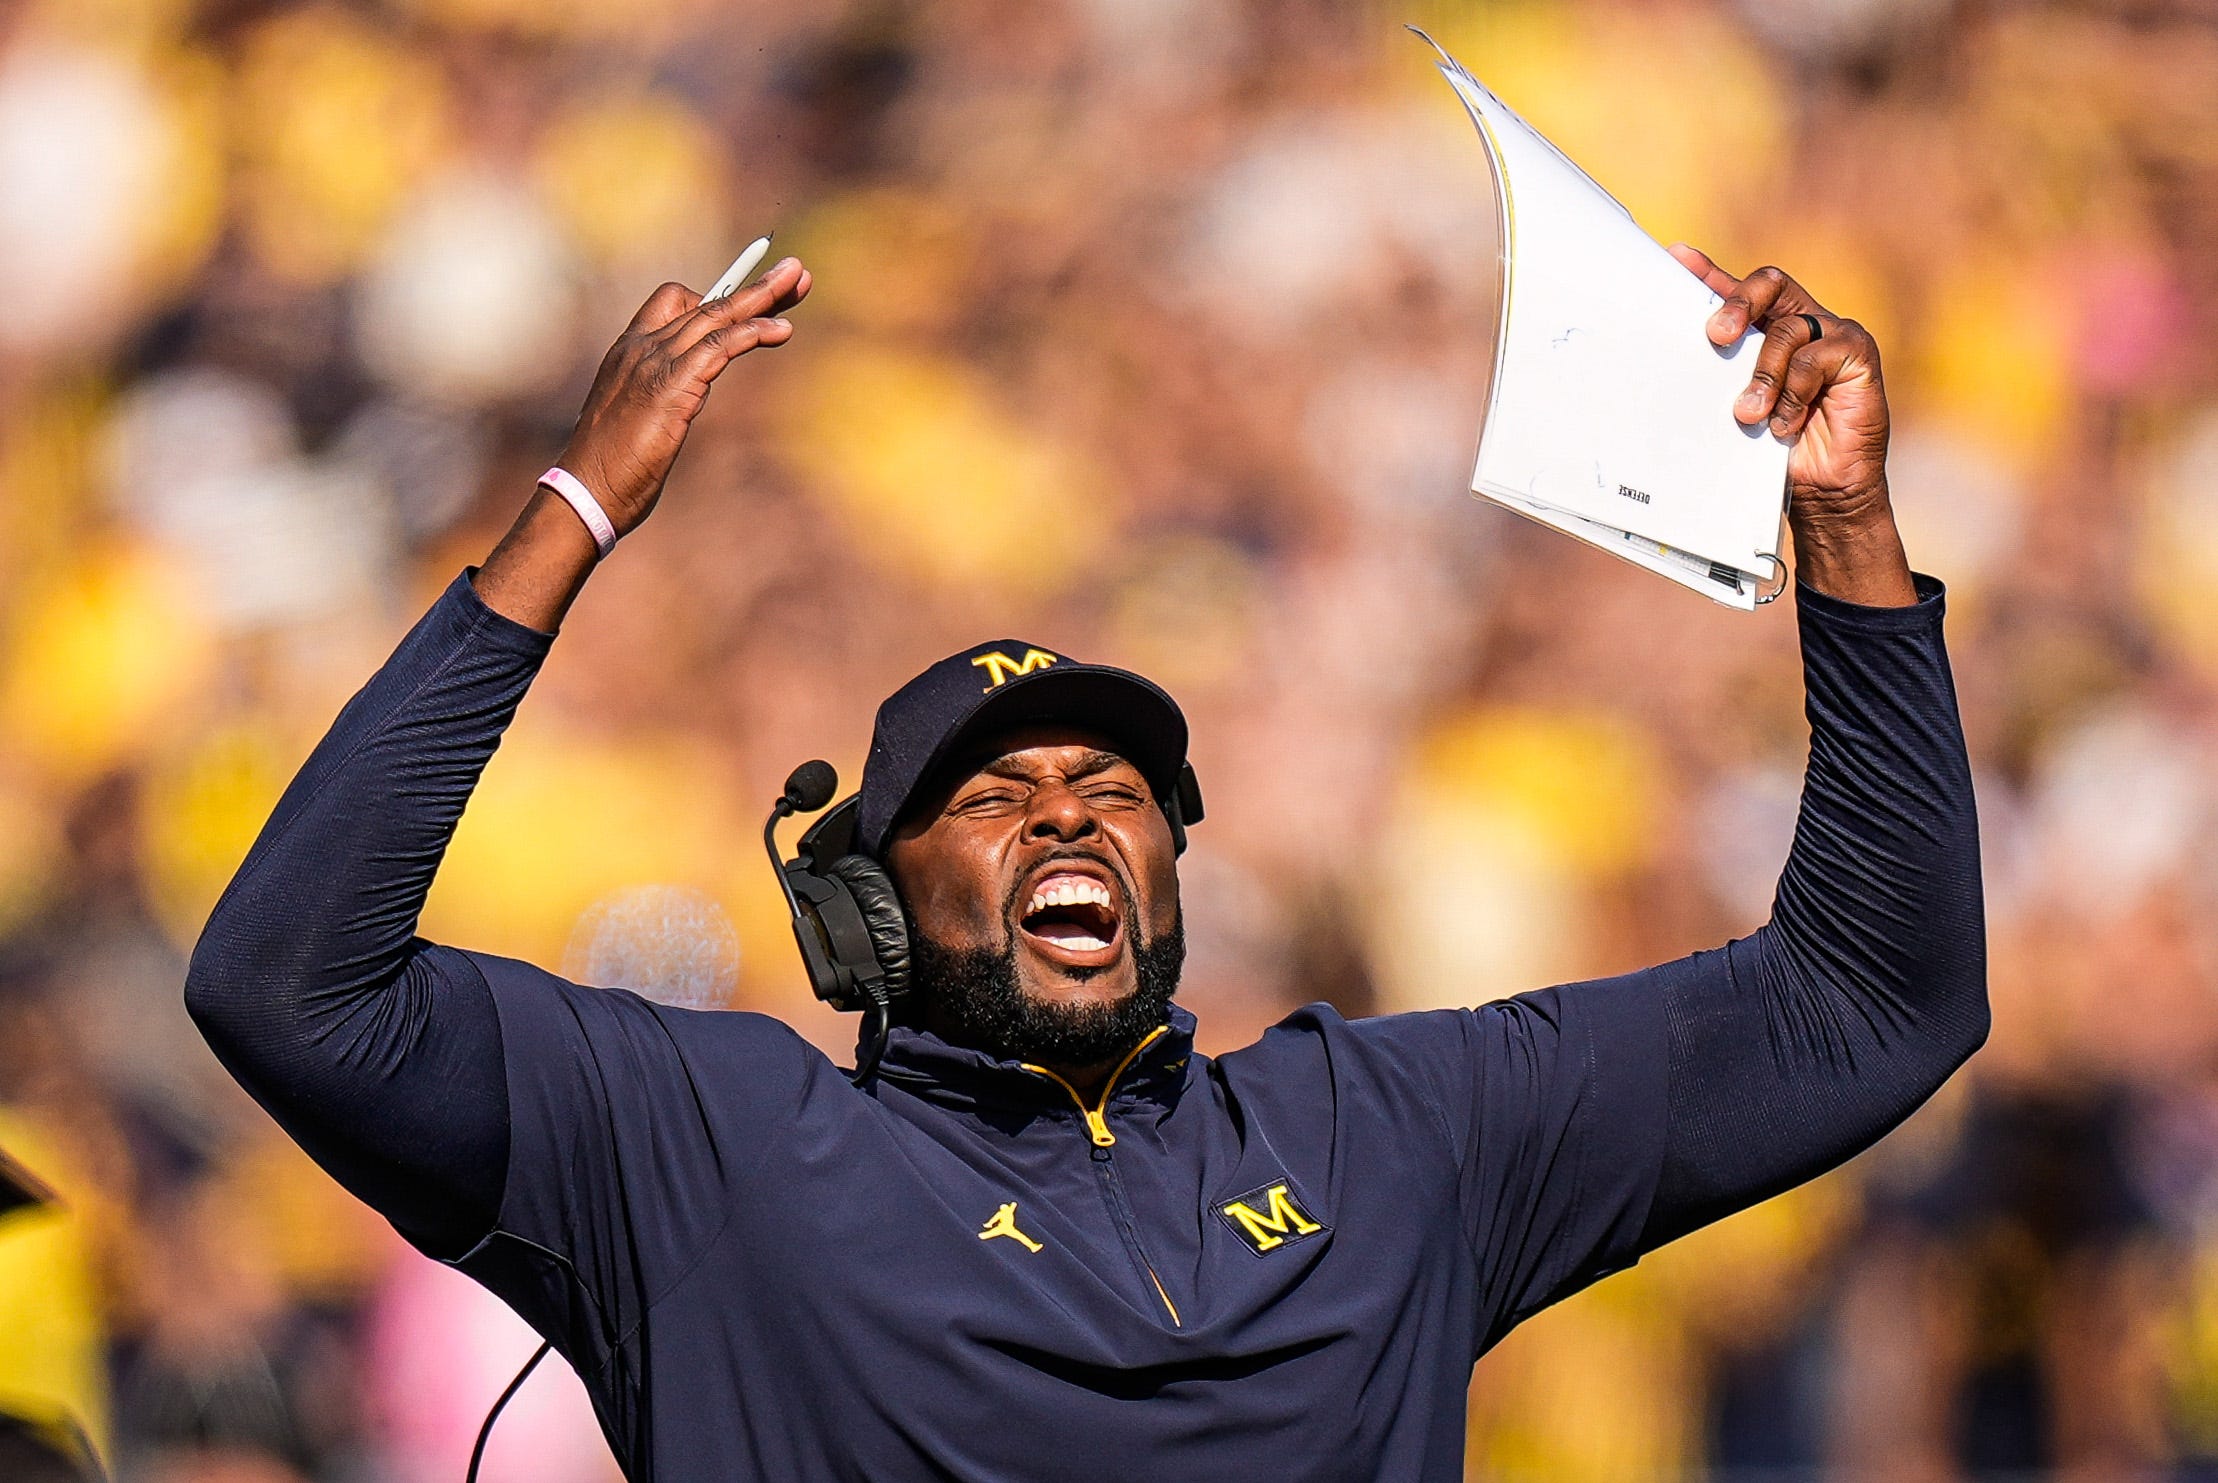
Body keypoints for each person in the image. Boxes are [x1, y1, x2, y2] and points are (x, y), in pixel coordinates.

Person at [185, 244, 1987, 1481]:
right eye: (987, 795)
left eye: (1115, 785)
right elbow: (287, 985)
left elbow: (1869, 1004)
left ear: (1176, 871)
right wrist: (568, 518)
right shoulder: (705, 1146)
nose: (1063, 810)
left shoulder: (1388, 1134)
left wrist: (1842, 533)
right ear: (860, 911)